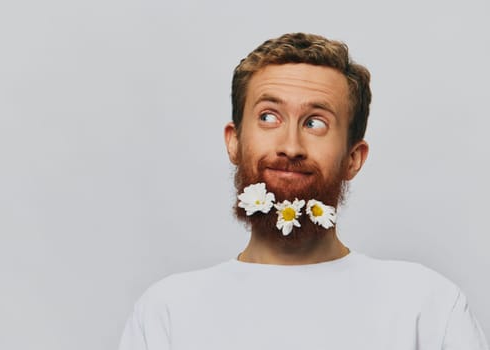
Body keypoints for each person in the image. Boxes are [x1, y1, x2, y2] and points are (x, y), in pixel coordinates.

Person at [119, 33, 488, 349]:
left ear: (353, 159)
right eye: (268, 117)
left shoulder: (427, 306)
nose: (290, 145)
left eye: (315, 122)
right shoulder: (166, 312)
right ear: (234, 142)